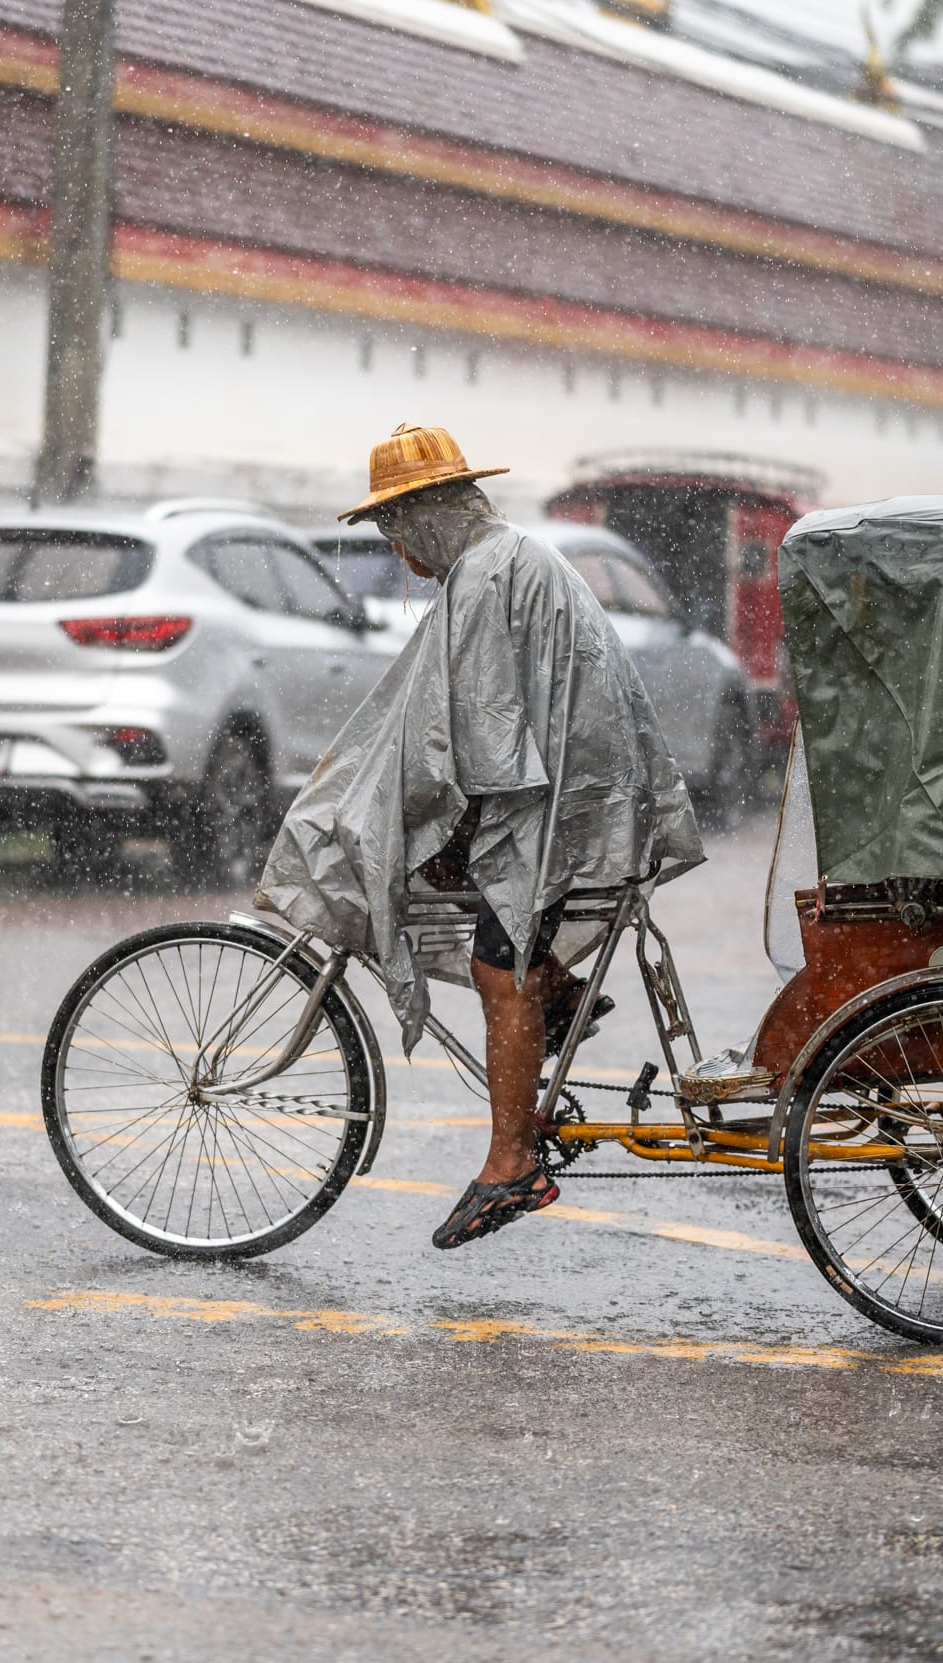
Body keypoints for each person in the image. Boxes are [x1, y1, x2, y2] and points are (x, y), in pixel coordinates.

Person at [255, 425, 703, 1249]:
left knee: (497, 960)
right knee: (500, 928)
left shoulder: (486, 576)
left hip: (566, 799)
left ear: (426, 515)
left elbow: (476, 740)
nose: (396, 549)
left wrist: (421, 820)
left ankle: (511, 1162)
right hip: (580, 786)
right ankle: (558, 990)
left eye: (395, 529)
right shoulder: (501, 559)